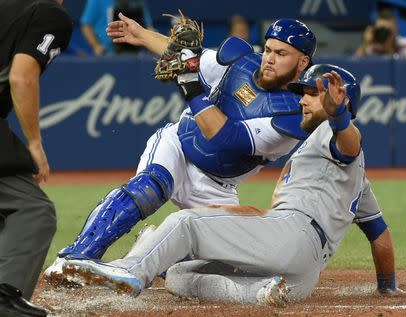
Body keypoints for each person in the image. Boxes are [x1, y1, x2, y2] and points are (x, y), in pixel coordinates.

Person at [60, 64, 403, 306]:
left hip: (292, 234)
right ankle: (261, 293)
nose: (302, 99)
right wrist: (387, 287)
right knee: (178, 277)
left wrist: (339, 116)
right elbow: (380, 234)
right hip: (304, 274)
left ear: (339, 101)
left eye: (313, 94)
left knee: (187, 222)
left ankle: (128, 270)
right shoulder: (358, 180)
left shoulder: (335, 134)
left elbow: (350, 142)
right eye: (304, 92)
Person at [44, 15, 317, 284]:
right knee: (149, 188)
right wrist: (140, 35)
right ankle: (74, 258)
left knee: (227, 265)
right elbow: (184, 56)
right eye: (268, 48)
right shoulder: (240, 62)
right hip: (178, 145)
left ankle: (153, 249)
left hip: (217, 185)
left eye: (281, 53)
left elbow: (226, 138)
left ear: (302, 61)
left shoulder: (293, 117)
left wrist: (191, 87)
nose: (269, 58)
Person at [0, 0, 72, 315]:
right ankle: (5, 299)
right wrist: (34, 142)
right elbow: (21, 77)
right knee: (33, 210)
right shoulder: (49, 13)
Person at [80, 0, 154, 55]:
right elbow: (86, 25)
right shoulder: (97, 1)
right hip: (108, 53)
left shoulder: (138, 2)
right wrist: (96, 46)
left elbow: (148, 26)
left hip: (137, 53)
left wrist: (152, 44)